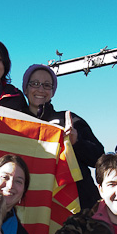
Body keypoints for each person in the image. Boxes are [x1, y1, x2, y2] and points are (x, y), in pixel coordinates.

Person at [20, 64, 104, 210]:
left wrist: (76, 142)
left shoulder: (69, 120)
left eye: (47, 85)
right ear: (25, 89)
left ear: (53, 92)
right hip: (33, 207)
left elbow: (99, 158)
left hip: (77, 207)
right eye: (34, 84)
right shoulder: (16, 123)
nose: (40, 89)